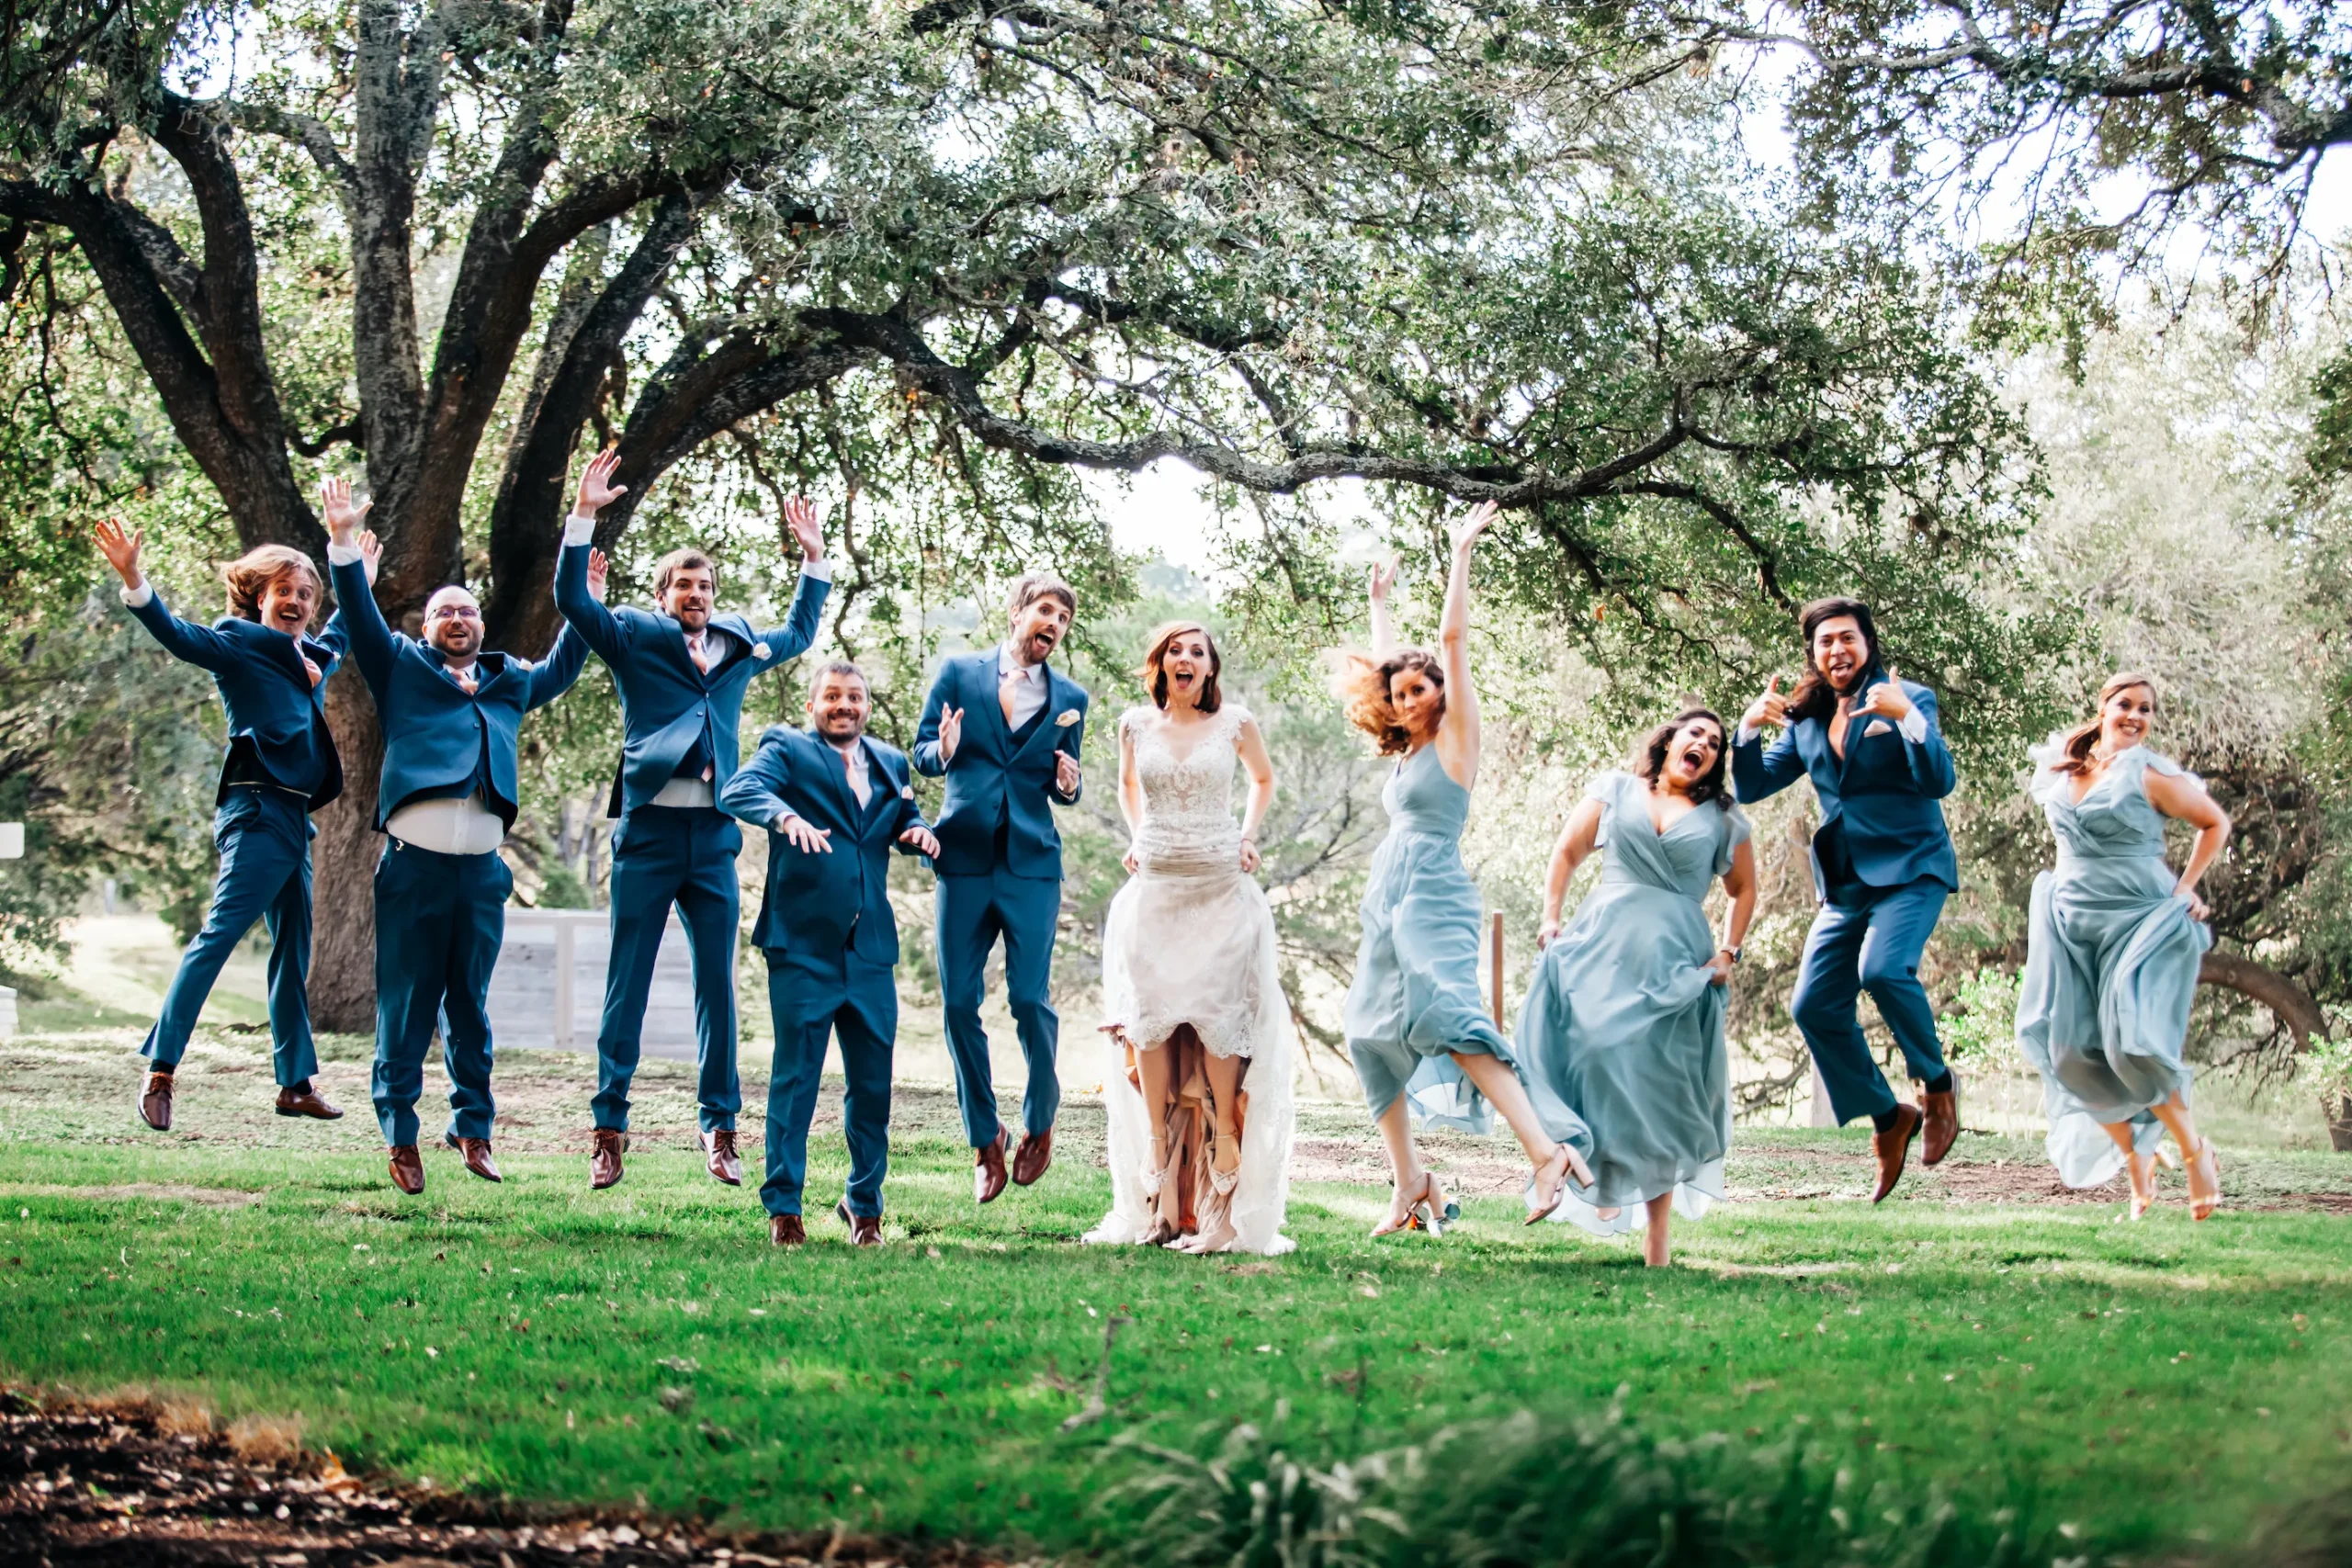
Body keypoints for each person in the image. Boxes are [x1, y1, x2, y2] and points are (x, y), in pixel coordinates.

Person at [556, 448, 831, 1191]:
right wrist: (583, 515)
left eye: (705, 584)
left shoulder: (739, 643)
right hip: (646, 834)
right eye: (684, 583)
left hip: (713, 839)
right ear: (663, 592)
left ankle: (719, 1131)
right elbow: (574, 606)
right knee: (629, 985)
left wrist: (813, 560)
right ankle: (609, 1129)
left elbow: (800, 634)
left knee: (719, 986)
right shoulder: (634, 636)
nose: (697, 593)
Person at [320, 477, 594, 1194]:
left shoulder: (510, 682)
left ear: (481, 625)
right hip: (414, 869)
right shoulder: (401, 668)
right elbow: (357, 611)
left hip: (481, 874)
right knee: (406, 1004)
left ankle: (473, 1129)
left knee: (469, 1006)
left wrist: (583, 581)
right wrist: (344, 543)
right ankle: (400, 1134)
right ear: (427, 626)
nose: (459, 619)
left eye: (468, 611)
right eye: (445, 611)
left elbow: (568, 659)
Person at [1327, 501, 1593, 1236]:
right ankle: (1412, 1182)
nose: (1409, 699)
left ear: (1442, 692)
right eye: (1400, 693)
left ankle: (1545, 1153)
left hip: (1434, 892)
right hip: (1390, 894)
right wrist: (1378, 605)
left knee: (1446, 1013)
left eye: (1421, 688)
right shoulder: (1408, 747)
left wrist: (1460, 553)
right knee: (1367, 1030)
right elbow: (1390, 669)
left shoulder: (1457, 737)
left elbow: (1450, 637)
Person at [96, 516, 350, 1132]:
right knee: (218, 936)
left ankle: (295, 1083)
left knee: (293, 953)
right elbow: (178, 635)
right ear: (259, 596)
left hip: (295, 819)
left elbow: (344, 632)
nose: (296, 601)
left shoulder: (310, 659)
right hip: (257, 809)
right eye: (284, 590)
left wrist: (349, 560)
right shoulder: (237, 644)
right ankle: (161, 1069)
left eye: (306, 594)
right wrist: (135, 581)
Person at [1732, 597, 1959, 1202]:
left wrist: (1907, 716)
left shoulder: (1907, 697)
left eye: (1847, 638)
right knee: (1812, 1005)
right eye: (1825, 641)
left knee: (1883, 968)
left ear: (1868, 642)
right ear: (1813, 652)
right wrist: (1748, 729)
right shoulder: (1805, 719)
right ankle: (1890, 1117)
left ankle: (1937, 1085)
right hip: (1847, 882)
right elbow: (1752, 785)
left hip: (1913, 867)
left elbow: (1939, 780)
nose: (1837, 650)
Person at [1517, 710, 1758, 1266]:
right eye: (1695, 733)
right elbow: (1566, 853)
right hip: (1603, 943)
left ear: (1717, 762)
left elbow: (1744, 890)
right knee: (1594, 1050)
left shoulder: (1723, 819)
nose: (1704, 744)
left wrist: (1729, 951)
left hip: (1674, 958)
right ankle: (1596, 1166)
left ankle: (1657, 1236)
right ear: (1670, 740)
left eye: (1716, 743)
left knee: (1662, 1087)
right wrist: (1551, 919)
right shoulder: (1616, 790)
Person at [1086, 622, 1295, 1256]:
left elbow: (1263, 780)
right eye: (1175, 650)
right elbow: (1127, 785)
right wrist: (1136, 832)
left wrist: (1249, 835)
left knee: (1216, 1017)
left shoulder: (1235, 722)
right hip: (1155, 886)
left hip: (1218, 885)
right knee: (1148, 1020)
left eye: (1196, 652)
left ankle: (1226, 1145)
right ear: (1161, 664)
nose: (1185, 659)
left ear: (1209, 669)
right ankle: (1155, 1142)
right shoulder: (1133, 725)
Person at [720, 661, 940, 1247]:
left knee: (873, 1086)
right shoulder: (787, 748)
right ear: (814, 704)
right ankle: (784, 1208)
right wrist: (785, 816)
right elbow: (737, 789)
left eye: (855, 697)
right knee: (797, 1080)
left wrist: (916, 830)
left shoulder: (892, 762)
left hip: (870, 950)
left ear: (867, 705)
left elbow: (901, 816)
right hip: (802, 947)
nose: (844, 706)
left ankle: (864, 1207)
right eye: (832, 697)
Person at [2017, 672, 2230, 1219]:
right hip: (2070, 919)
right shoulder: (2064, 764)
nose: (2136, 715)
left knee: (2130, 1045)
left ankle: (2193, 1150)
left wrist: (2186, 887)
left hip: (2136, 920)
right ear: (2103, 706)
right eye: (2126, 704)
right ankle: (2136, 1154)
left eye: (2147, 709)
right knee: (2065, 1051)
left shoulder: (2149, 773)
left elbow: (2214, 823)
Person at [912, 575, 1090, 1203]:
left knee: (1029, 999)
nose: (1054, 624)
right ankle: (985, 1138)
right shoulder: (958, 673)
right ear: (1017, 612)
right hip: (961, 859)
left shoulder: (1071, 696)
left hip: (1031, 866)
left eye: (1063, 619)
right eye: (1045, 610)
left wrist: (1069, 783)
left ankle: (1040, 1121)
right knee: (960, 1003)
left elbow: (1066, 781)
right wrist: (944, 747)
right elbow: (920, 752)